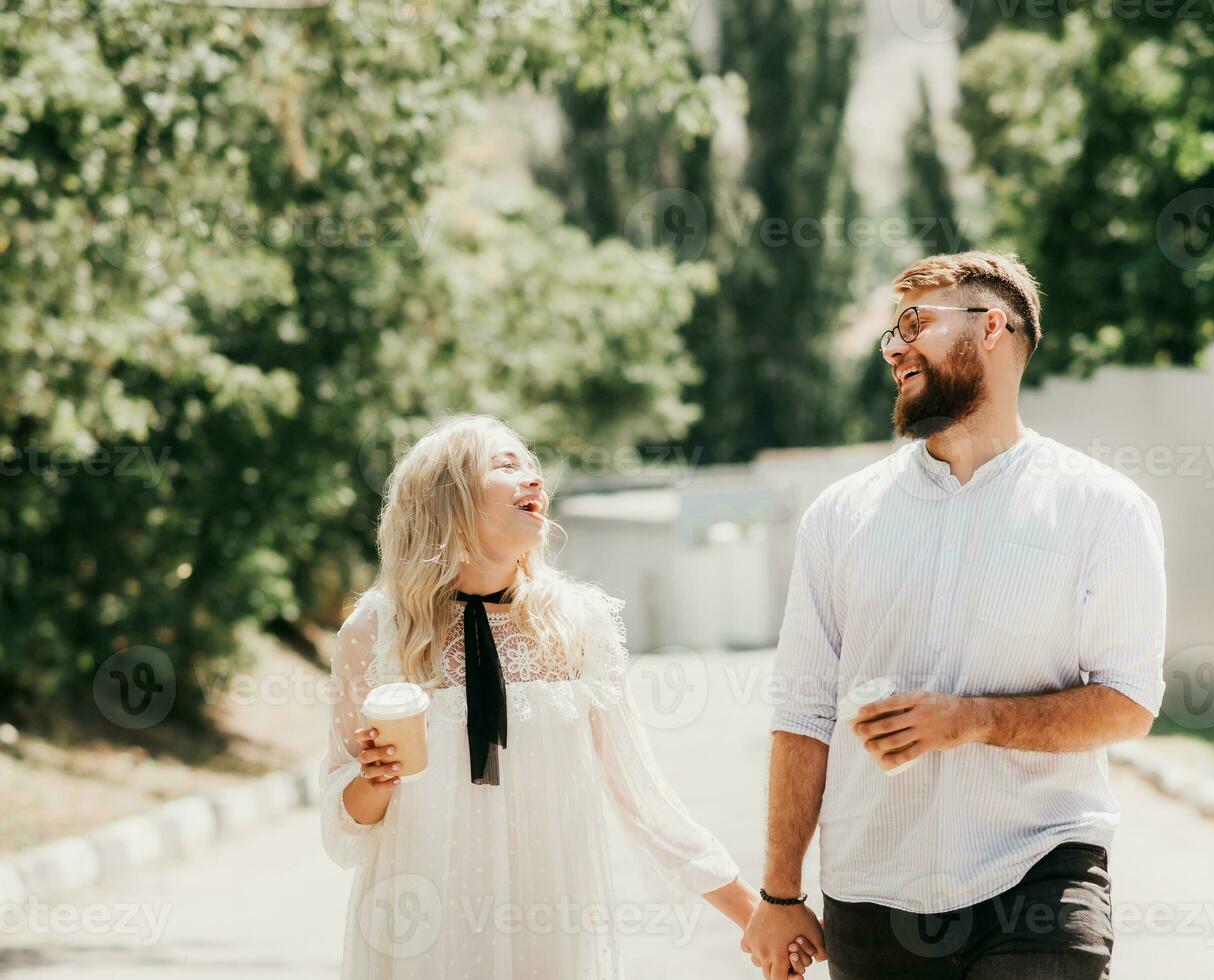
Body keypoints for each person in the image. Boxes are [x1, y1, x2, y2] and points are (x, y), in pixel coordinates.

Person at [740, 251, 1167, 979]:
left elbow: (1127, 704)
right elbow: (805, 711)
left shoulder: (1102, 508)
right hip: (873, 892)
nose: (896, 348)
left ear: (991, 326)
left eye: (915, 324)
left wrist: (970, 720)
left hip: (1040, 874)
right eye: (890, 334)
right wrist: (779, 892)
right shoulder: (839, 517)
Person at [317, 414, 819, 978]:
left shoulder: (578, 623)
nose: (534, 479)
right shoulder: (377, 631)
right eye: (507, 466)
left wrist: (760, 917)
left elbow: (644, 799)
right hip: (421, 931)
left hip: (549, 929)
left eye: (533, 467)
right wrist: (373, 780)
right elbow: (344, 825)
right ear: (447, 497)